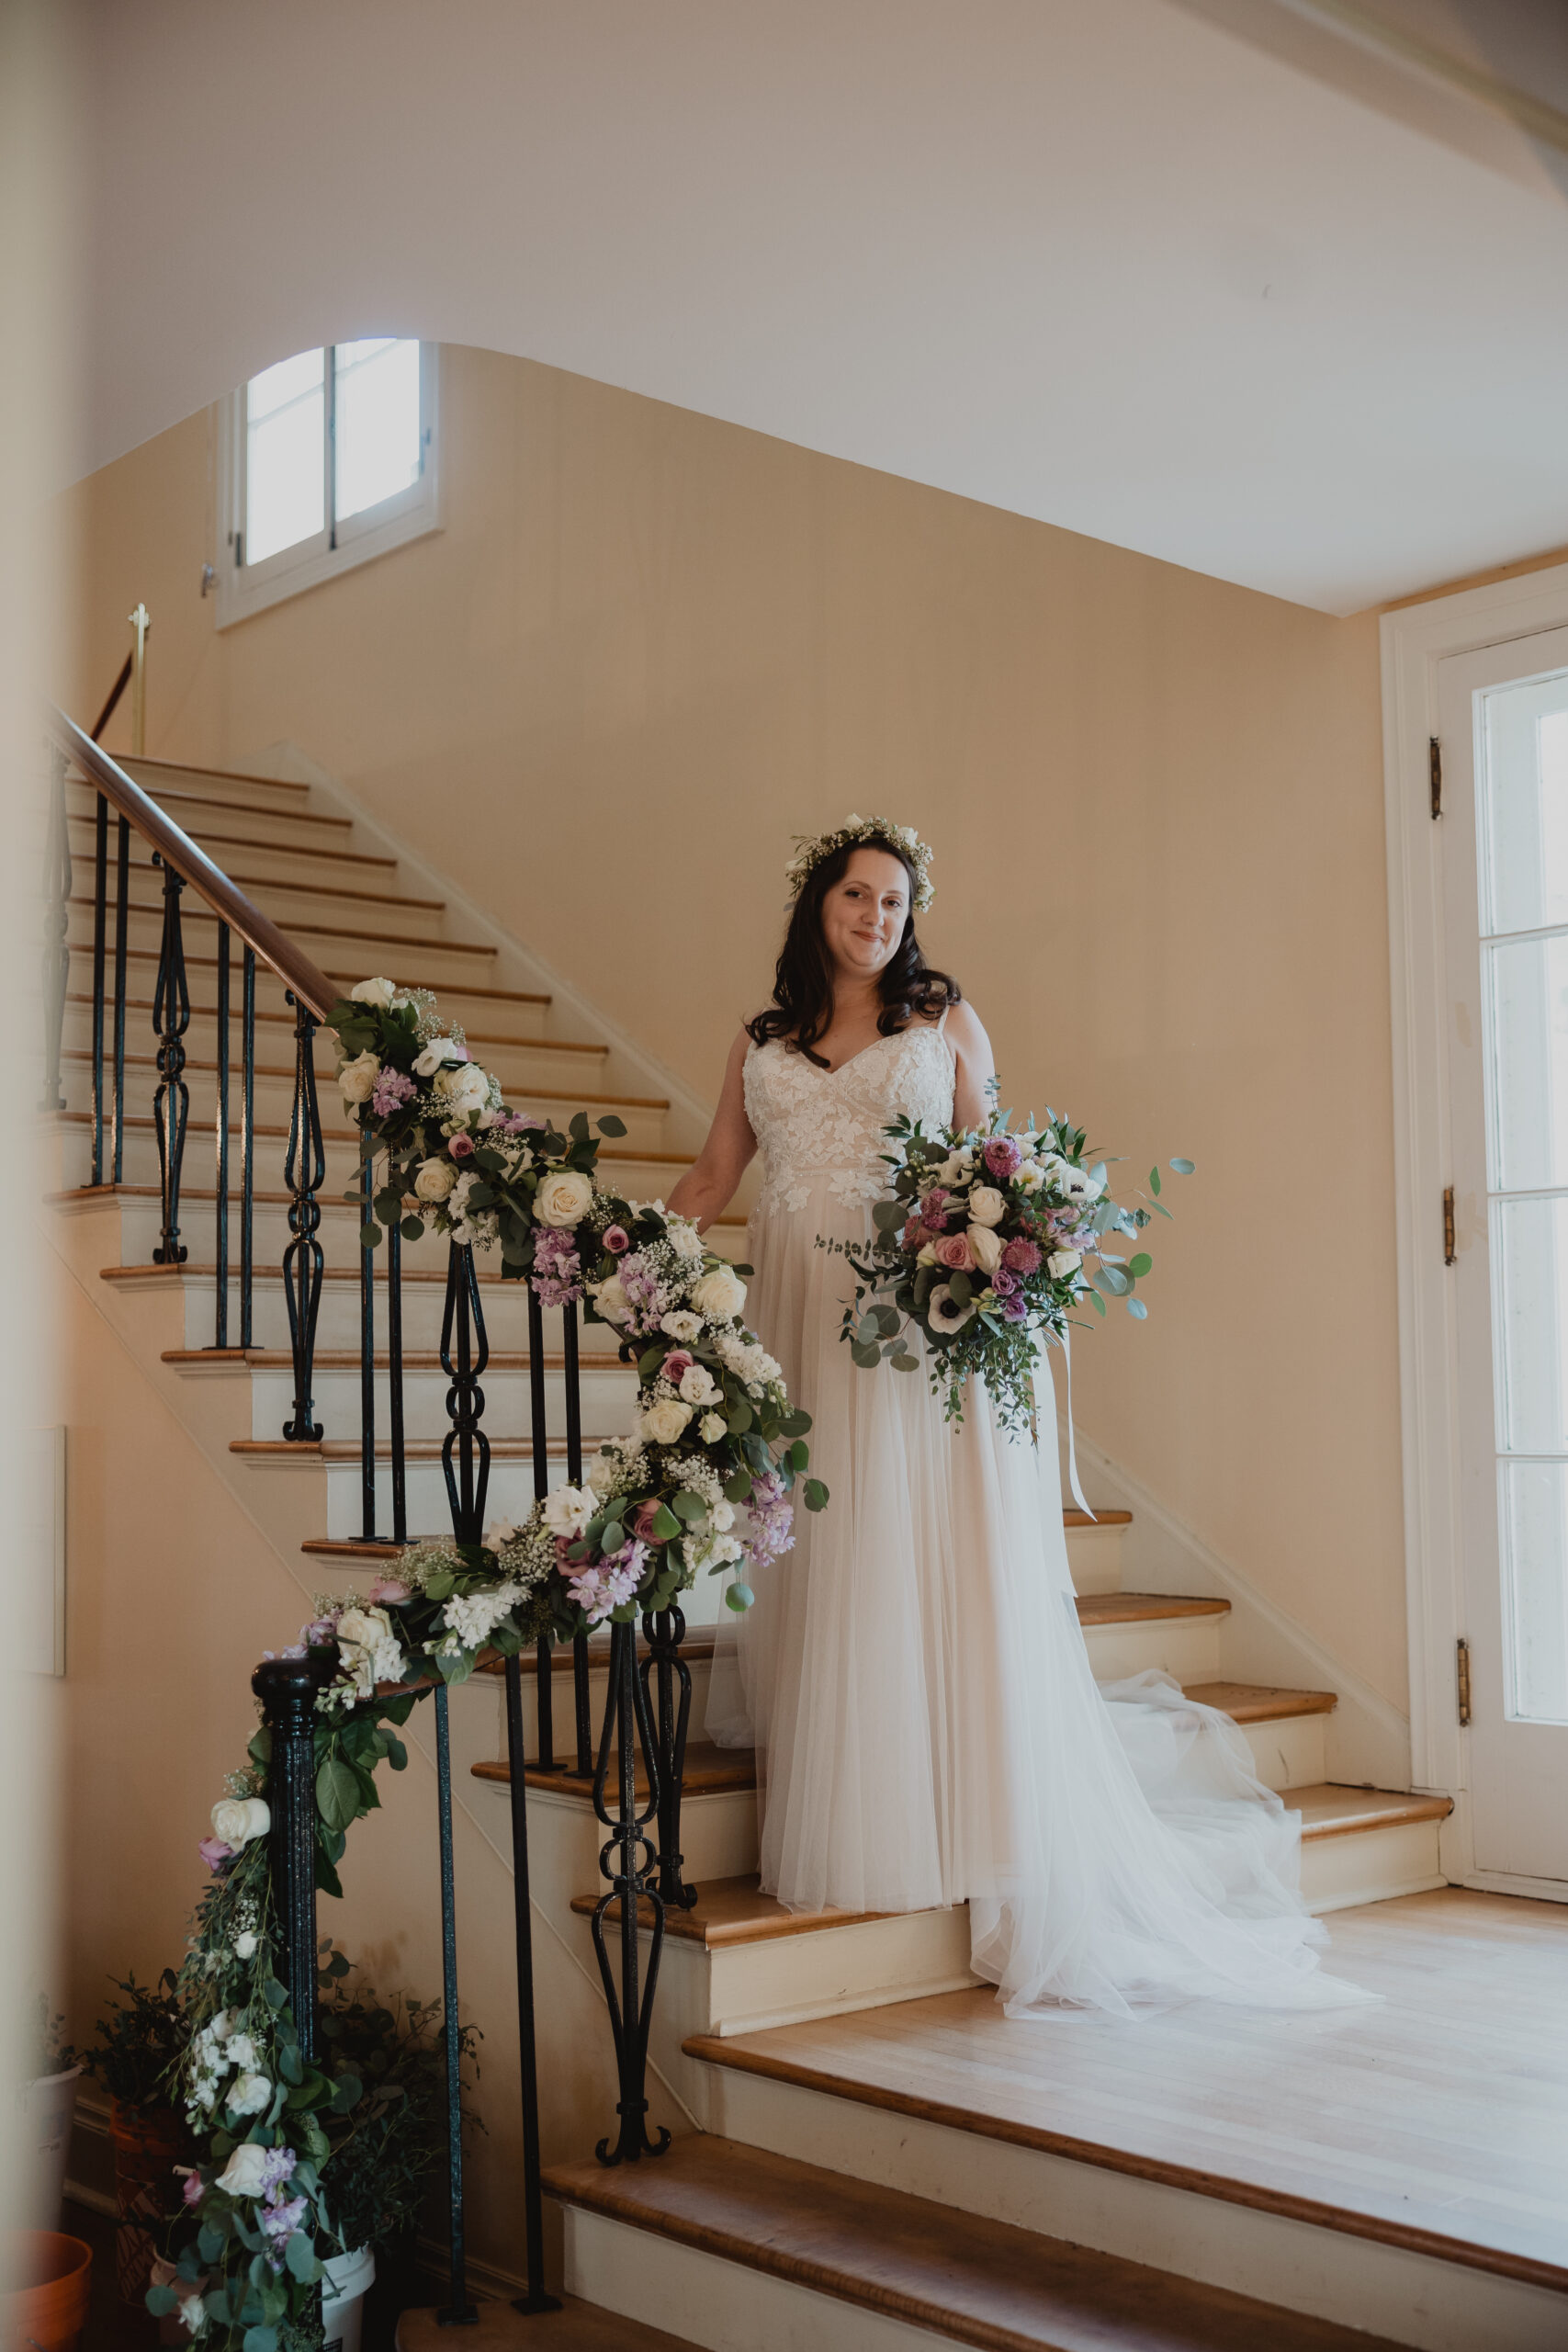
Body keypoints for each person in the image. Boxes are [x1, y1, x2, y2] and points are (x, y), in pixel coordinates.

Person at [667, 817, 1368, 2017]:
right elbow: (713, 1176)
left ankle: (956, 1816)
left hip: (910, 1327)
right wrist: (631, 1254)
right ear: (815, 906)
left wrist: (1012, 1251)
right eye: (855, 897)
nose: (875, 918)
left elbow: (991, 1172)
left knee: (913, 1545)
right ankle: (860, 1790)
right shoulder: (761, 1038)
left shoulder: (945, 1023)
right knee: (830, 1542)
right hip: (793, 1322)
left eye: (893, 902)